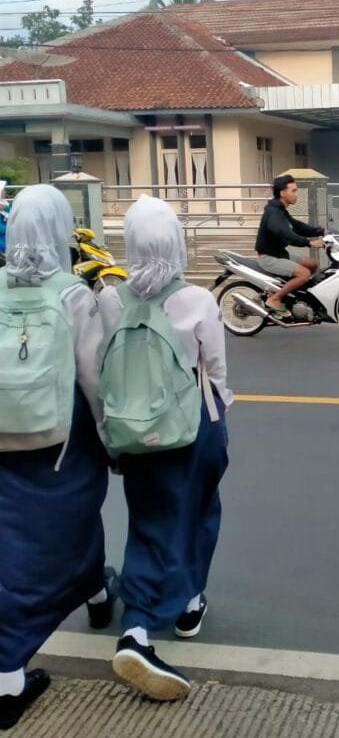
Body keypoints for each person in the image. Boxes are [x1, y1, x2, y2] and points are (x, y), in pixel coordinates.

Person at [99, 195, 232, 702]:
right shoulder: (198, 300)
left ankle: (142, 621)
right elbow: (215, 371)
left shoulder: (109, 300)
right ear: (176, 242)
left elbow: (101, 369)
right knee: (200, 511)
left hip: (134, 430)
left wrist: (110, 435)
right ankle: (182, 608)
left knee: (150, 520)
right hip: (192, 427)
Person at [0, 185, 110, 730]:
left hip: (5, 438)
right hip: (64, 440)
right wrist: (111, 439)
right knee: (49, 539)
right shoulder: (73, 293)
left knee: (19, 531)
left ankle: (95, 585)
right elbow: (93, 377)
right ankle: (7, 675)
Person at [254, 174, 326, 316]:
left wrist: (321, 231)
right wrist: (309, 242)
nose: (296, 194)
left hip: (279, 254)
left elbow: (297, 226)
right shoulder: (273, 213)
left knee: (312, 264)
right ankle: (275, 299)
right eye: (293, 191)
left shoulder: (280, 210)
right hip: (269, 257)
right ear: (282, 193)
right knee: (304, 274)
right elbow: (285, 234)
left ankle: (296, 296)